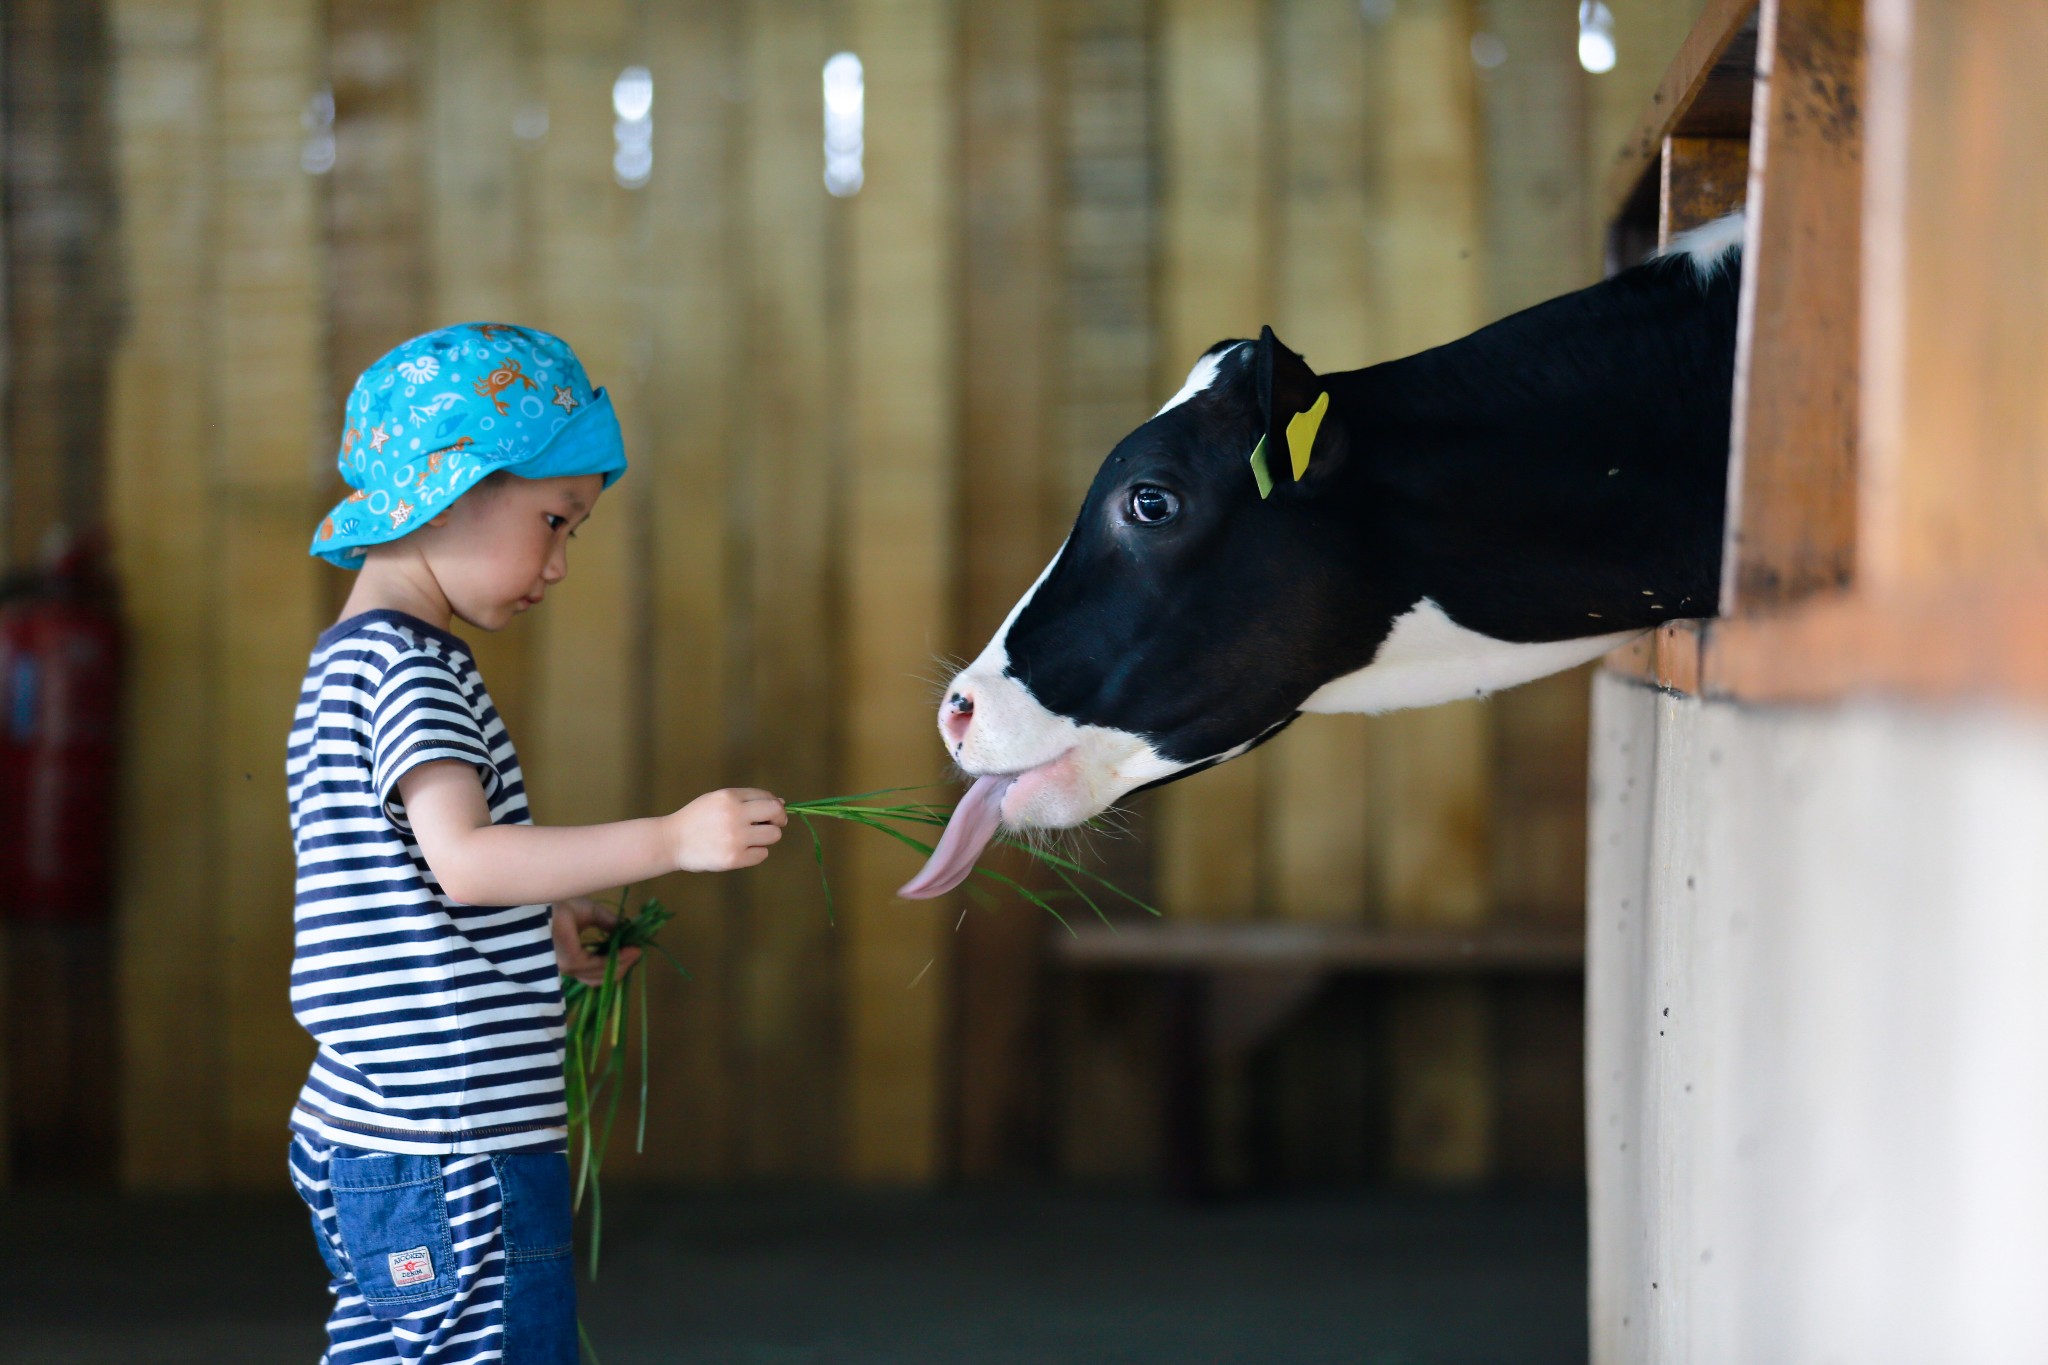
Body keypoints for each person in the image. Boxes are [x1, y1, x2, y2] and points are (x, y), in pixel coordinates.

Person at [286, 324, 785, 1364]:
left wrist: (539, 936)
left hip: (385, 1130)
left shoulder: (352, 663)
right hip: (451, 1144)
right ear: (450, 486)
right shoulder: (414, 671)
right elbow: (464, 862)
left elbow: (406, 888)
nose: (558, 564)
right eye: (554, 521)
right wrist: (671, 838)